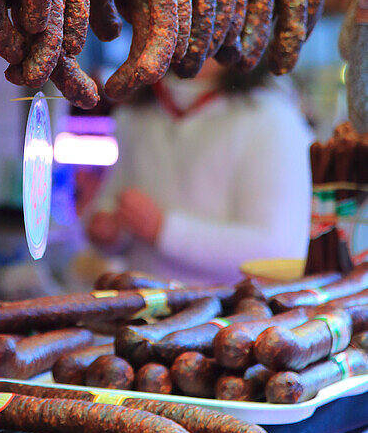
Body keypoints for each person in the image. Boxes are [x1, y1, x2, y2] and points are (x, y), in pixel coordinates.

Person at [83, 58, 312, 285]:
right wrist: (108, 233)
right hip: (139, 307)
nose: (190, 30)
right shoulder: (135, 114)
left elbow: (277, 250)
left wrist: (164, 229)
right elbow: (112, 206)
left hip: (231, 314)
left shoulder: (273, 119)